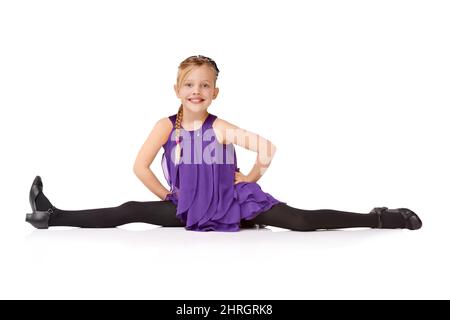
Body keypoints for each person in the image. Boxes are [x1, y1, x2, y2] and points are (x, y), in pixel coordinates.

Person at [25, 55, 422, 232]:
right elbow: (140, 167)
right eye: (189, 84)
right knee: (130, 210)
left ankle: (378, 217)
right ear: (177, 89)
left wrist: (246, 179)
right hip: (189, 207)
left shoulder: (221, 127)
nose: (196, 90)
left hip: (232, 203)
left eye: (204, 85)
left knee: (302, 222)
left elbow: (266, 147)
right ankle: (52, 215)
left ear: (214, 92)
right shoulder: (166, 126)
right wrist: (166, 194)